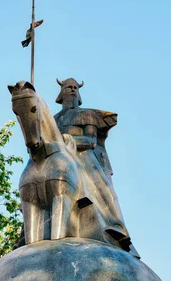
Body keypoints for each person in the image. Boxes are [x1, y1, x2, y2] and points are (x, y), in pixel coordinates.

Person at [54, 78, 139, 258]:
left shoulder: (87, 115)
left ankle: (115, 226)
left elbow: (91, 142)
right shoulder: (53, 120)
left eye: (75, 87)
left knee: (103, 190)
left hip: (83, 156)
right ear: (61, 93)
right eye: (68, 87)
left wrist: (67, 140)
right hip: (59, 159)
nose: (72, 90)